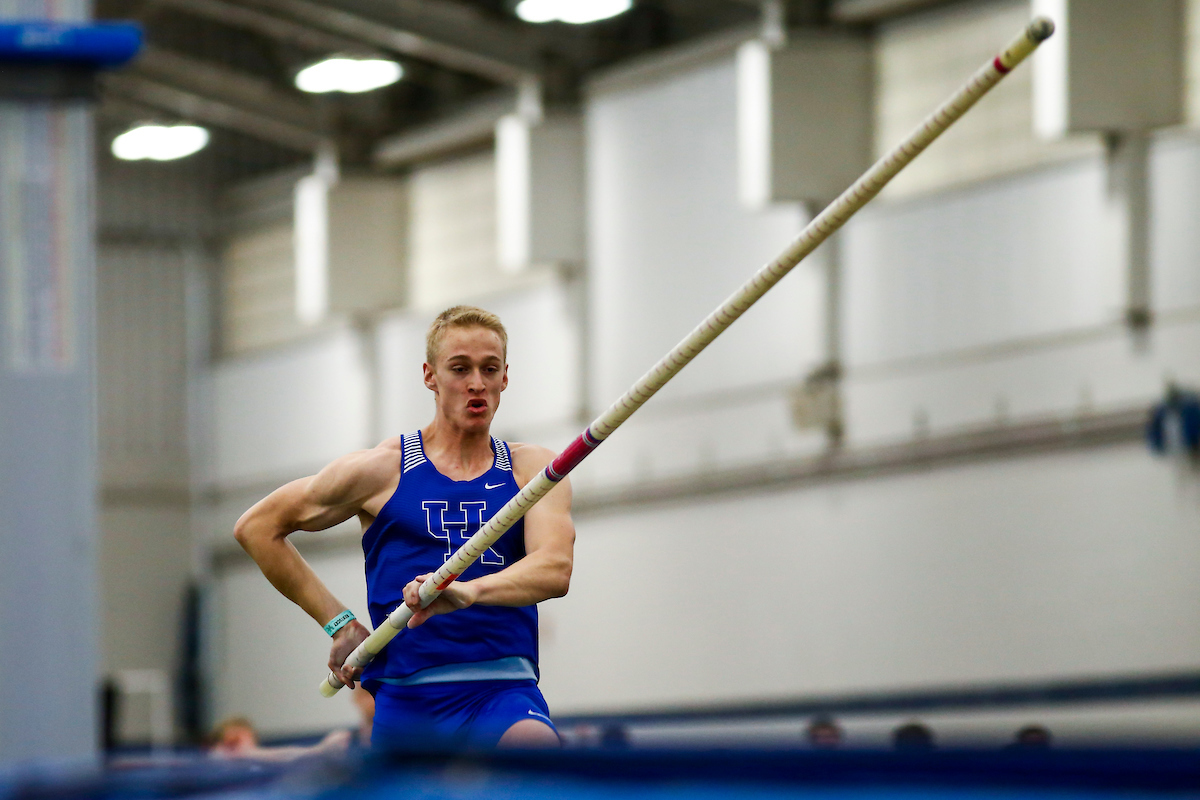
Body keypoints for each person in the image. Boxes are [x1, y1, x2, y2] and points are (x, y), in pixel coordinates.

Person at [235, 306, 574, 749]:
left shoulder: (532, 470)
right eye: (460, 368)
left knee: (533, 746)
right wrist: (340, 624)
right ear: (429, 376)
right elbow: (257, 528)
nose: (477, 383)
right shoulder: (384, 470)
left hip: (503, 691)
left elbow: (554, 568)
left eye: (489, 369)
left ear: (505, 378)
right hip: (407, 700)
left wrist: (470, 590)